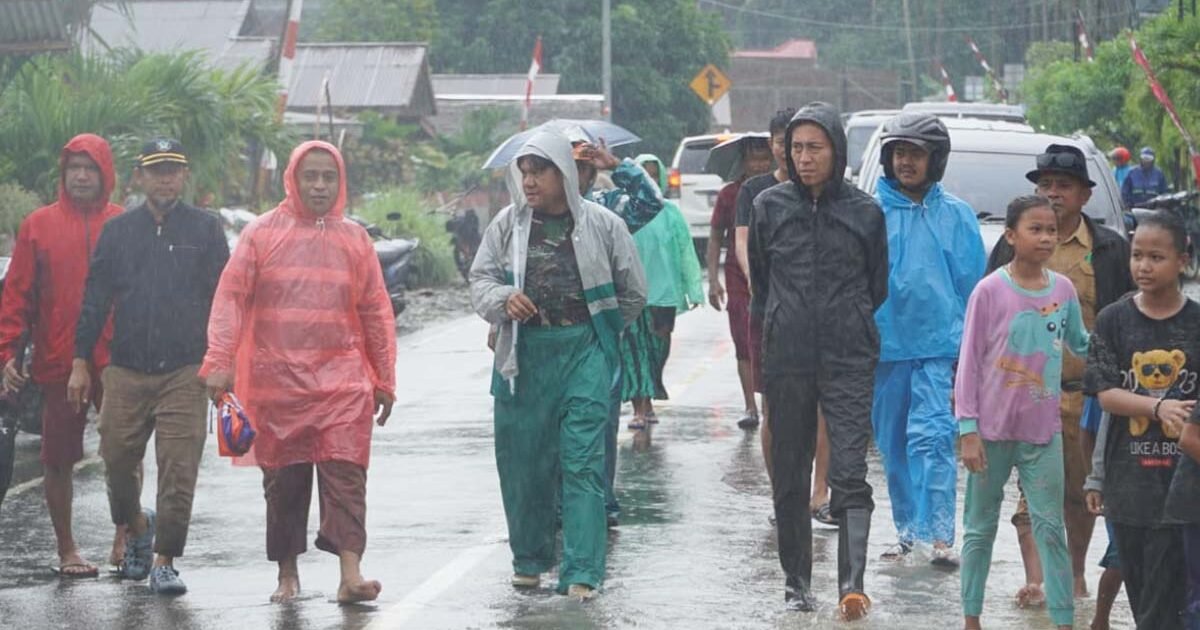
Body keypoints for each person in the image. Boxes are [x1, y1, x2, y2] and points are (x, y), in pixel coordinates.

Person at [200, 141, 397, 604]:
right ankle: (287, 575)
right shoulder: (262, 234)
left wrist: (384, 376)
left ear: (340, 181)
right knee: (284, 483)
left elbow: (375, 311)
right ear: (293, 178)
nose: (320, 185)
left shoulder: (355, 239)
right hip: (277, 381)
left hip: (343, 381)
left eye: (329, 176)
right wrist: (220, 361)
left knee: (347, 475)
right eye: (311, 175)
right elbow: (231, 298)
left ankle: (351, 573)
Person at [469, 130, 646, 600]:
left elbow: (633, 292)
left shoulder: (603, 225)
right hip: (523, 356)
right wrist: (505, 299)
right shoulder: (508, 225)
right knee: (522, 461)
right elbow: (481, 279)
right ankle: (529, 559)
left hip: (583, 351)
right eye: (524, 172)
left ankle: (583, 570)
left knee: (583, 461)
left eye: (540, 171)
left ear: (563, 175)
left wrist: (602, 336)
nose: (530, 181)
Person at [70, 138, 230, 595]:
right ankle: (137, 524)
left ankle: (165, 561)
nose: (165, 178)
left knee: (179, 468)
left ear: (184, 175)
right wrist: (81, 362)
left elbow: (226, 299)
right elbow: (95, 299)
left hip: (185, 368)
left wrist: (226, 360)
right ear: (138, 175)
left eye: (173, 169)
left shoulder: (206, 230)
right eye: (156, 169)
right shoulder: (119, 232)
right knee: (116, 459)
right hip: (125, 368)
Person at [748, 101, 887, 619]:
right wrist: (788, 321)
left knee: (850, 469)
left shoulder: (866, 213)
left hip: (849, 354)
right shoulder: (769, 207)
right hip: (786, 356)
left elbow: (878, 284)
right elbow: (763, 283)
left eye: (816, 147)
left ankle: (851, 585)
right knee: (789, 472)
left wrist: (844, 318)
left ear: (837, 151)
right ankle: (796, 583)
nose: (804, 158)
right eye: (797, 148)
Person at [989, 143, 1134, 603]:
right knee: (1030, 493)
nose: (1053, 193)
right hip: (1023, 391)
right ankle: (1038, 579)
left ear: (1084, 195)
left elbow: (1129, 318)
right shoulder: (1011, 243)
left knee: (1079, 492)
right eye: (1045, 185)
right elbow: (988, 316)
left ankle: (1072, 573)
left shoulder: (1110, 249)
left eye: (1063, 186)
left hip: (1085, 395)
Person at [956, 194, 1089, 630]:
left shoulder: (1063, 290)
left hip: (1042, 432)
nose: (1046, 237)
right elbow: (969, 361)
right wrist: (968, 429)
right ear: (1011, 236)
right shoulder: (989, 290)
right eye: (1036, 229)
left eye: (1051, 230)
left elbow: (1083, 346)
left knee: (1052, 529)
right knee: (979, 528)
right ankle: (971, 618)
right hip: (990, 433)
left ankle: (1064, 620)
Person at [0, 134, 125, 578]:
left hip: (117, 359)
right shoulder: (38, 225)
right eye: (73, 167)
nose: (81, 176)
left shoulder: (123, 224)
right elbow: (16, 296)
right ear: (63, 174)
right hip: (57, 357)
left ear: (105, 174)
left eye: (90, 168)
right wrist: (7, 353)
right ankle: (67, 547)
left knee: (121, 450)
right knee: (58, 456)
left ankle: (123, 534)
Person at [871, 113, 985, 567]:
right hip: (884, 348)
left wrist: (971, 349)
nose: (906, 162)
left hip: (940, 347)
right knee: (893, 442)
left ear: (935, 160)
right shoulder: (870, 212)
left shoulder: (955, 214)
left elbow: (973, 285)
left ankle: (939, 537)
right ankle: (907, 533)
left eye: (915, 154)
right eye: (899, 153)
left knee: (934, 438)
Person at [1085, 210, 1200, 630]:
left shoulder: (1196, 323)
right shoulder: (1114, 320)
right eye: (1137, 256)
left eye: (1156, 257)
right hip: (1128, 486)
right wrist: (1156, 408)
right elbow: (1103, 395)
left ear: (1182, 261)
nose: (1144, 266)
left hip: (1184, 491)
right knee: (1141, 602)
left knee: (1165, 609)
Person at [733, 109, 837, 529]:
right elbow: (745, 246)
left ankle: (819, 492)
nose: (795, 152)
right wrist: (764, 287)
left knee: (824, 407)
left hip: (825, 322)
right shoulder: (757, 195)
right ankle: (785, 493)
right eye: (788, 143)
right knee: (774, 407)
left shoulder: (839, 199)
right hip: (773, 314)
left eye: (810, 145)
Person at [619, 154, 703, 429]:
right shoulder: (623, 211)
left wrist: (694, 289)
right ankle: (639, 408)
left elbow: (685, 252)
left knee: (657, 349)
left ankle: (651, 392)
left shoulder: (671, 213)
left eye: (655, 174)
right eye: (646, 174)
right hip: (632, 294)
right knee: (633, 350)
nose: (651, 180)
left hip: (664, 293)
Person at [708, 135, 773, 429]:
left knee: (770, 342)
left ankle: (769, 404)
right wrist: (713, 279)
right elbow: (715, 237)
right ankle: (750, 407)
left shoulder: (781, 191)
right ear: (742, 162)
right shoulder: (729, 195)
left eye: (764, 158)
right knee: (743, 340)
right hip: (736, 276)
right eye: (753, 159)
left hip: (773, 276)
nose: (759, 165)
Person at [1080, 396, 1124, 630]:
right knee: (1119, 554)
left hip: (1165, 477)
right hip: (1119, 480)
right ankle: (1100, 620)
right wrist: (1095, 482)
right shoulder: (1105, 385)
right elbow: (1087, 433)